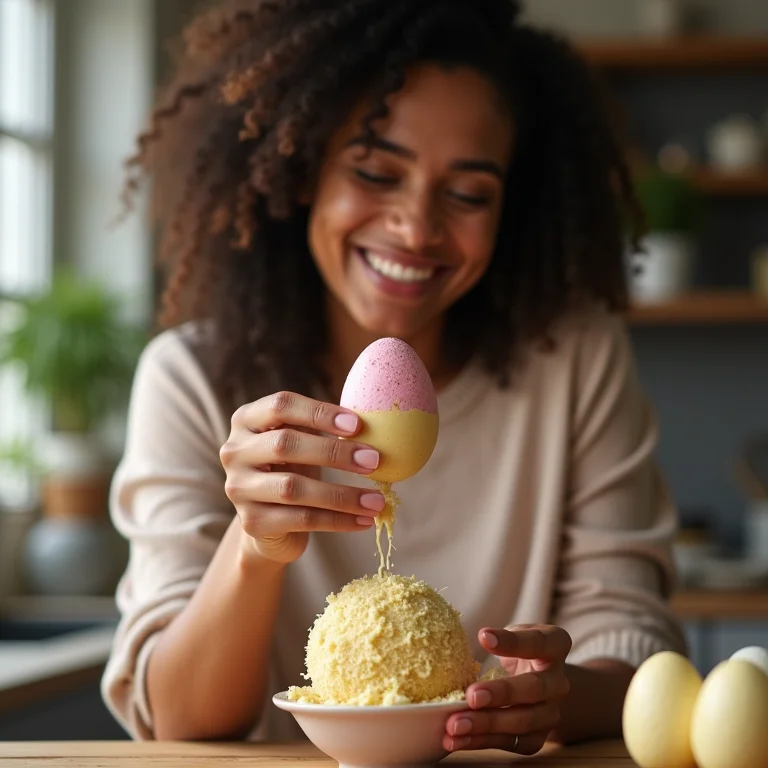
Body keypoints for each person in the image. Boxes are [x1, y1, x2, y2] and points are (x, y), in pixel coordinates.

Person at [101, 0, 687, 753]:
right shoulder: (192, 379)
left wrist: (550, 698)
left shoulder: (574, 363)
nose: (415, 228)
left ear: (513, 209)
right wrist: (255, 546)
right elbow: (177, 720)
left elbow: (632, 645)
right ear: (303, 170)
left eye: (468, 193)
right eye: (376, 172)